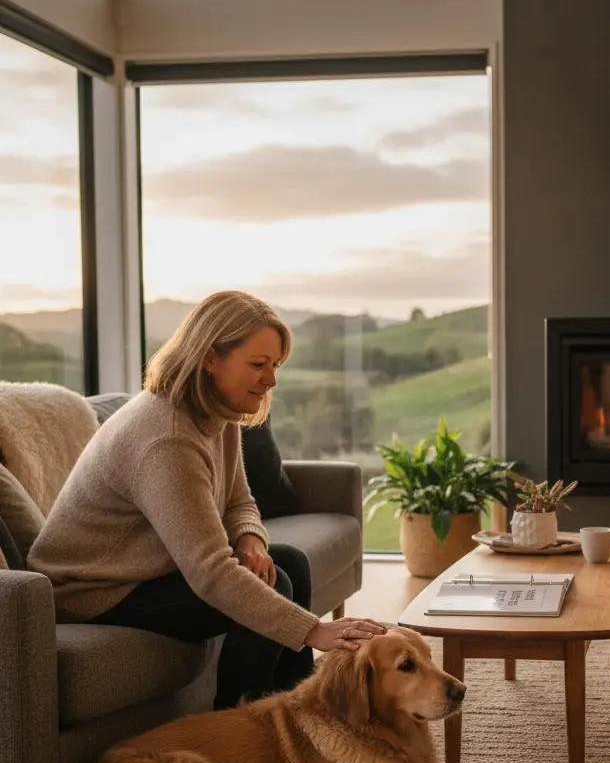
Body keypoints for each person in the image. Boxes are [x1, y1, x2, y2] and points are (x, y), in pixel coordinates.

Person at [28, 290, 386, 709]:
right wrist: (313, 631)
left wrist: (251, 540)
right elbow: (210, 572)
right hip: (92, 591)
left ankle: (304, 714)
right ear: (210, 358)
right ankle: (233, 722)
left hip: (141, 573)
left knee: (287, 562)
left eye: (275, 366)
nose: (270, 380)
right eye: (258, 364)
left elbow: (239, 500)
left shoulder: (217, 412)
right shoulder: (167, 437)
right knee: (279, 585)